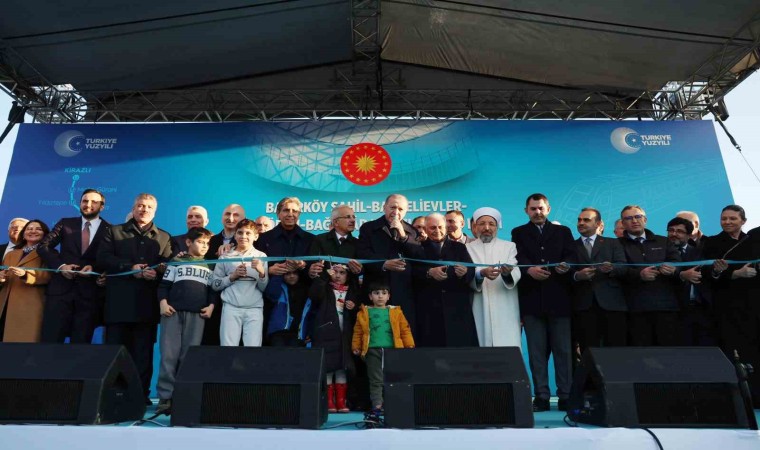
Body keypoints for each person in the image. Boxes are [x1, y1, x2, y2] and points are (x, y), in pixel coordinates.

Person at [96, 193, 173, 401]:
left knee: (143, 353)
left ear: (154, 211)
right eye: (140, 205)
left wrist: (155, 273)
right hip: (117, 305)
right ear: (133, 208)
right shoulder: (113, 231)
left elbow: (168, 268)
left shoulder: (164, 237)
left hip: (146, 307)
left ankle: (140, 396)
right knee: (114, 352)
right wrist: (130, 268)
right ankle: (111, 395)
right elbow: (102, 258)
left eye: (149, 207)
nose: (144, 209)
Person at [511, 193, 576, 412]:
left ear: (548, 209)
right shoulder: (518, 232)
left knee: (563, 351)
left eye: (541, 208)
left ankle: (565, 395)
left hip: (560, 300)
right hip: (532, 301)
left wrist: (566, 266)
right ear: (526, 211)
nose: (537, 212)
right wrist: (529, 270)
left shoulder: (563, 231)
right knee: (536, 353)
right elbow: (517, 257)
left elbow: (571, 256)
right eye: (533, 209)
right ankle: (541, 396)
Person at [702, 205, 759, 404]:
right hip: (728, 307)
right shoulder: (711, 243)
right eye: (724, 218)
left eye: (732, 218)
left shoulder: (753, 240)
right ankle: (739, 399)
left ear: (743, 221)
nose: (727, 222)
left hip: (754, 304)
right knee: (733, 350)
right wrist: (734, 274)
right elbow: (705, 272)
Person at [155, 227, 215, 415]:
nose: (204, 246)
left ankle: (184, 395)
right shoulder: (176, 262)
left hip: (197, 316)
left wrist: (211, 306)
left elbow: (212, 291)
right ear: (189, 242)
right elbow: (164, 285)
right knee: (169, 355)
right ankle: (165, 397)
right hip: (172, 313)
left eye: (207, 243)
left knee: (189, 356)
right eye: (200, 242)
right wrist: (163, 303)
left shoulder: (210, 265)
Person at [38, 189, 110, 344]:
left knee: (80, 347)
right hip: (60, 294)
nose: (88, 205)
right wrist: (61, 266)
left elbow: (109, 259)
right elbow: (44, 246)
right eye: (85, 201)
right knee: (50, 343)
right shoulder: (65, 223)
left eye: (94, 202)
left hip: (89, 296)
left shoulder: (110, 230)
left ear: (102, 206)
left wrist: (95, 269)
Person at [618, 205, 682, 346]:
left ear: (645, 220)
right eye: (629, 218)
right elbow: (617, 270)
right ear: (623, 223)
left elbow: (678, 263)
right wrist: (639, 274)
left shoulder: (663, 241)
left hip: (666, 306)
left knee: (669, 352)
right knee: (643, 353)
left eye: (638, 217)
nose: (634, 221)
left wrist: (673, 269)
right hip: (635, 308)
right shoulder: (616, 244)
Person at [357, 194, 420, 332]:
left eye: (400, 209)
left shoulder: (412, 231)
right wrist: (383, 264)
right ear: (384, 207)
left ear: (406, 211)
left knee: (402, 335)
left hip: (403, 293)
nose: (396, 212)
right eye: (392, 207)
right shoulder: (369, 228)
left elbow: (417, 257)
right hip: (376, 290)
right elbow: (362, 254)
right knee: (376, 334)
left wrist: (403, 236)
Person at [414, 213, 477, 347]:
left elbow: (471, 270)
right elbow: (411, 272)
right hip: (428, 310)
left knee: (460, 350)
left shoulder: (459, 247)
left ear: (446, 227)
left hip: (456, 308)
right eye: (432, 228)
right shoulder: (418, 248)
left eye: (440, 227)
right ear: (425, 229)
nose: (437, 231)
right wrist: (429, 272)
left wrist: (464, 272)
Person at [352, 282, 415, 413]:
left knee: (394, 378)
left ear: (388, 296)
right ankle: (377, 405)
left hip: (393, 351)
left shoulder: (396, 312)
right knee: (376, 379)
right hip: (372, 350)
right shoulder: (364, 313)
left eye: (384, 293)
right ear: (370, 296)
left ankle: (394, 404)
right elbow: (358, 331)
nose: (380, 296)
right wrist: (356, 346)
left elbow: (405, 330)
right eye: (376, 293)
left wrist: (409, 345)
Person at [572, 208, 628, 353]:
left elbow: (623, 267)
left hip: (612, 305)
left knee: (616, 352)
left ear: (598, 224)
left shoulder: (612, 243)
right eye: (579, 220)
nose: (581, 223)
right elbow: (566, 272)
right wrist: (578, 275)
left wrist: (611, 269)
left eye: (586, 220)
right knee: (589, 352)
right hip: (584, 306)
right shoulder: (571, 246)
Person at [466, 207, 522, 348]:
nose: (487, 228)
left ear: (497, 227)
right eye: (482, 224)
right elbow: (467, 273)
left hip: (505, 304)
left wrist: (506, 273)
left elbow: (516, 270)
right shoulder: (467, 248)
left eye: (491, 224)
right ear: (475, 227)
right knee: (481, 348)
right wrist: (480, 273)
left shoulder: (509, 246)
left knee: (508, 347)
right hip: (479, 304)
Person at [212, 219, 269, 347]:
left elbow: (264, 288)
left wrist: (261, 272)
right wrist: (232, 277)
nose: (243, 236)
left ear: (256, 236)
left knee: (253, 350)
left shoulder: (261, 256)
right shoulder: (225, 257)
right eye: (240, 232)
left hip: (254, 309)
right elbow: (215, 285)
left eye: (248, 233)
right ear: (235, 235)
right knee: (228, 348)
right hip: (231, 307)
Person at [310, 264, 358, 413]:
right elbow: (314, 296)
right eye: (334, 272)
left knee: (342, 367)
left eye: (342, 273)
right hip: (326, 334)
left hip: (345, 335)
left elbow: (360, 310)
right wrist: (325, 276)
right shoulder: (325, 288)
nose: (337, 275)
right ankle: (329, 402)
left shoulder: (352, 290)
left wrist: (354, 306)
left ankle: (341, 401)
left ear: (348, 276)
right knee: (328, 367)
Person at [666, 217, 715, 346]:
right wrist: (681, 275)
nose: (674, 234)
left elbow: (709, 274)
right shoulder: (661, 254)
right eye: (671, 230)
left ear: (689, 235)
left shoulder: (700, 252)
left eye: (679, 231)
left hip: (700, 308)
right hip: (673, 309)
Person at [0, 219, 51, 342]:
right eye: (29, 229)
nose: (33, 231)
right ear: (23, 234)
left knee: (22, 346)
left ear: (45, 234)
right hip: (4, 303)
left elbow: (48, 275)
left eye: (38, 229)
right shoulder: (10, 254)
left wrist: (26, 274)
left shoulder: (48, 253)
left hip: (29, 306)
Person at [202, 203, 245, 345]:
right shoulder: (210, 241)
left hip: (238, 300)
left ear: (243, 219)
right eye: (227, 214)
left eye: (235, 215)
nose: (230, 218)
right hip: (212, 300)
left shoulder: (250, 242)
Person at [256, 197, 313, 277]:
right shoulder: (263, 239)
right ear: (278, 214)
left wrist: (303, 265)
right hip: (272, 283)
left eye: (294, 211)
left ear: (299, 214)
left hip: (302, 284)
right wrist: (268, 270)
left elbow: (314, 270)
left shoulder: (311, 239)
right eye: (286, 210)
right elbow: (255, 265)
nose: (290, 214)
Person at [264, 270, 310, 346]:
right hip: (278, 332)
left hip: (297, 334)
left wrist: (309, 331)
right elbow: (271, 295)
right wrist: (279, 272)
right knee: (279, 353)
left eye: (295, 273)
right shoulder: (278, 287)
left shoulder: (305, 290)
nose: (292, 276)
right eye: (288, 273)